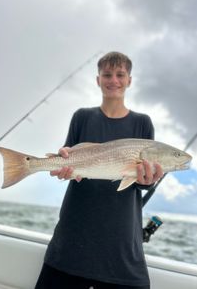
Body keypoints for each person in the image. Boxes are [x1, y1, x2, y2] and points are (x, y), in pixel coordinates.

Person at [35, 52, 163, 289]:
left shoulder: (142, 123)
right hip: (73, 235)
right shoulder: (82, 117)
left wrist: (148, 180)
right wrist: (63, 165)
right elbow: (69, 160)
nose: (113, 80)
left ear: (129, 80)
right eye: (107, 74)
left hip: (122, 242)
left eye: (120, 74)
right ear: (98, 79)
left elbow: (142, 182)